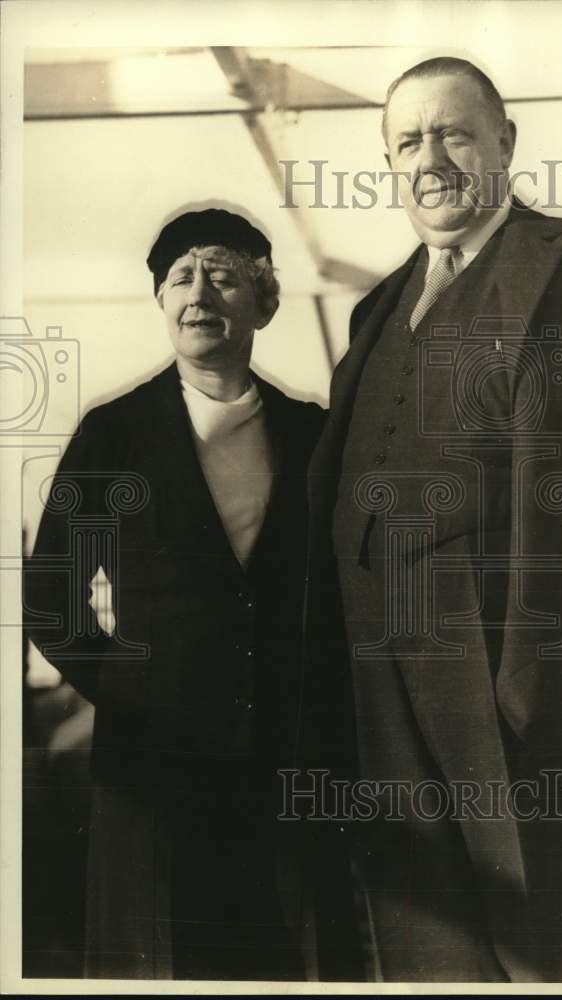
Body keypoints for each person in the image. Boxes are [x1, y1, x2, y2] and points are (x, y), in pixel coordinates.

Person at [304, 58, 562, 982]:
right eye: (408, 140)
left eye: (453, 132)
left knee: (545, 939)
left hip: (531, 661)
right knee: (427, 936)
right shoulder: (376, 307)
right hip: (385, 676)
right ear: (389, 162)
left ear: (505, 142)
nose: (431, 157)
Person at [24, 208, 324, 980]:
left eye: (222, 275)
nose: (199, 294)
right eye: (180, 278)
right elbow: (51, 599)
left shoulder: (312, 435)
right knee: (165, 956)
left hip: (291, 757)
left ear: (265, 301)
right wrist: (130, 690)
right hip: (155, 767)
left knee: (292, 953)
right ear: (160, 302)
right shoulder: (115, 434)